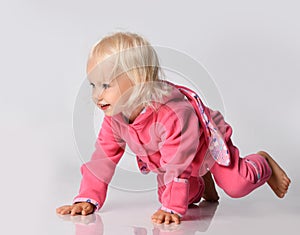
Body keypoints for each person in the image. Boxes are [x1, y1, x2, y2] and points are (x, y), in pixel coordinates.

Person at [56, 32, 291, 224]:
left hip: (204, 145)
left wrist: (171, 208)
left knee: (238, 185)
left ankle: (262, 162)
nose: (97, 95)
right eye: (93, 85)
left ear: (137, 80)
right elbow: (103, 158)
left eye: (106, 85)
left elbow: (178, 163)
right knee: (184, 196)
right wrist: (87, 198)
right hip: (172, 160)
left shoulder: (172, 113)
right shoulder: (115, 116)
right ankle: (203, 180)